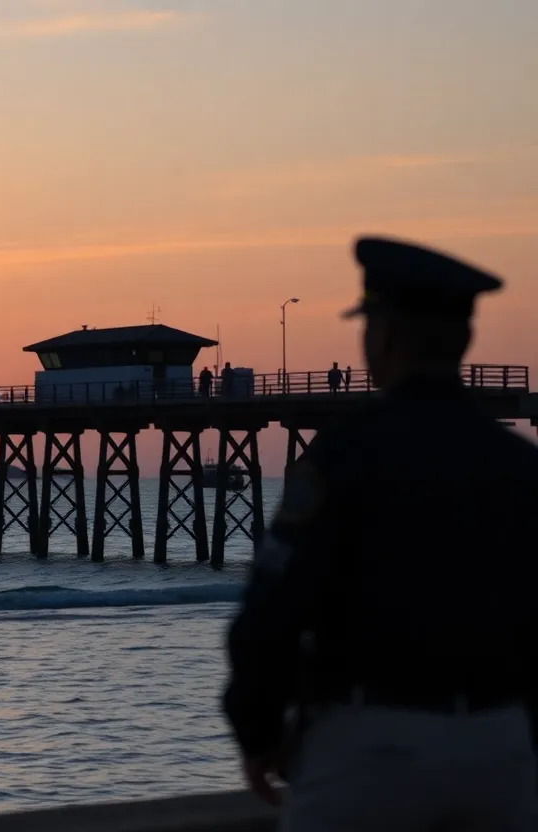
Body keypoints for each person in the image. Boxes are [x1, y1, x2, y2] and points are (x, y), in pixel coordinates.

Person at [223, 235, 538, 830]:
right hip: (502, 750)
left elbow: (270, 619)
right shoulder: (521, 467)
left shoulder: (342, 459)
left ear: (384, 337)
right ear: (465, 339)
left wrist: (258, 733)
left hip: (373, 750)